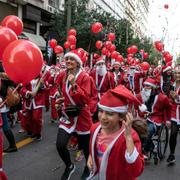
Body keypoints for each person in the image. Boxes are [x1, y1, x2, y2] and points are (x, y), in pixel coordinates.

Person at [87, 85, 146, 180]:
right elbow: (93, 147)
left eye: (109, 113)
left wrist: (128, 138)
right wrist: (91, 156)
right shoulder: (95, 128)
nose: (103, 117)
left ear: (122, 117)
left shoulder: (130, 136)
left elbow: (137, 171)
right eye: (101, 111)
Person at [55, 49, 93, 180]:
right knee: (60, 144)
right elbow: (62, 92)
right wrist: (60, 100)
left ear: (78, 62)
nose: (68, 61)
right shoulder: (62, 75)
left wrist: (73, 84)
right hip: (68, 116)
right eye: (67, 59)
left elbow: (85, 99)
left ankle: (88, 168)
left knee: (86, 147)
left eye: (72, 59)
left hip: (82, 116)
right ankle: (69, 166)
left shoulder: (85, 77)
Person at [136, 78, 171, 156]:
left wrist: (168, 120)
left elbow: (168, 107)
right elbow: (135, 105)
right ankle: (140, 147)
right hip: (142, 118)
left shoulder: (162, 98)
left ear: (153, 87)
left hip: (155, 119)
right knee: (134, 129)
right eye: (145, 85)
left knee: (148, 130)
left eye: (148, 86)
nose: (145, 87)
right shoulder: (140, 95)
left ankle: (146, 149)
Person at [167, 64, 180, 164]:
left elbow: (176, 98)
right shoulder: (172, 84)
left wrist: (177, 98)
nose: (177, 75)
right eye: (176, 73)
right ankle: (171, 154)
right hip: (174, 112)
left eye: (179, 73)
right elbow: (169, 99)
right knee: (173, 134)